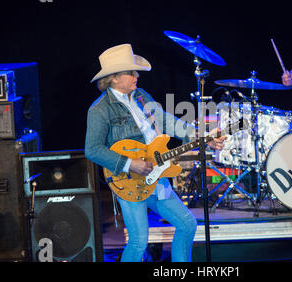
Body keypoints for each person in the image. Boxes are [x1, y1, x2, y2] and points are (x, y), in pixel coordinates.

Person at [85, 44, 226, 262]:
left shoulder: (141, 95)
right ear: (113, 78)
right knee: (139, 241)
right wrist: (130, 164)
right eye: (130, 72)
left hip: (157, 173)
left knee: (187, 224)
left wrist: (202, 136)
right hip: (129, 180)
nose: (136, 75)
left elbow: (165, 121)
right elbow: (92, 149)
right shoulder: (99, 109)